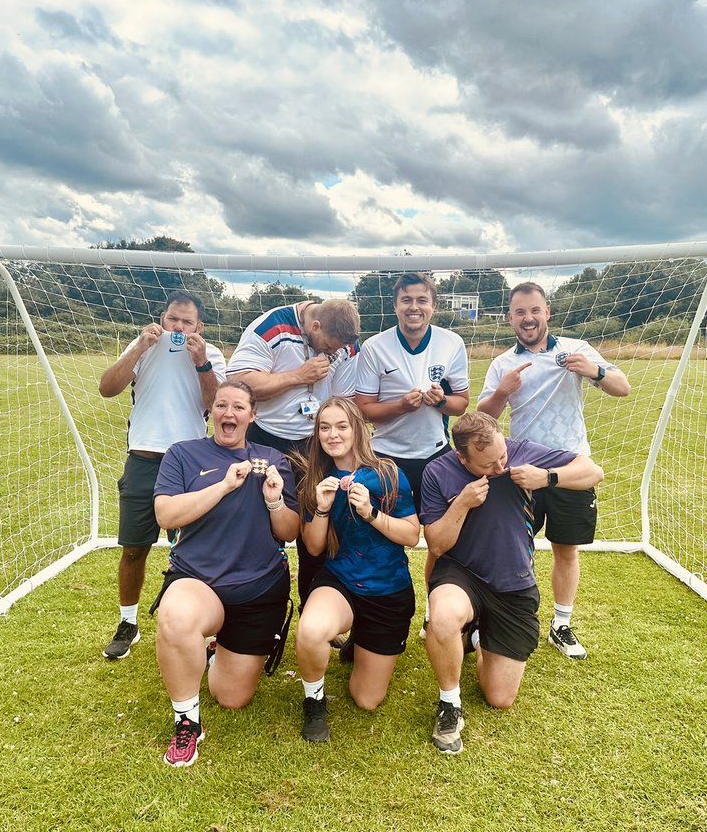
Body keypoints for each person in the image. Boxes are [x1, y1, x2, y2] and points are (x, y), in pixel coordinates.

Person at [420, 412, 603, 754]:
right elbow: (437, 545)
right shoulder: (438, 472)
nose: (500, 467)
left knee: (500, 698)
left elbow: (594, 471)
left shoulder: (522, 452)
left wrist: (547, 477)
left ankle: (478, 635)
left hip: (512, 582)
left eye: (503, 455)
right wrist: (461, 503)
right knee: (443, 617)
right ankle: (449, 705)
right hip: (462, 573)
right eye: (488, 464)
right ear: (462, 457)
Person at [476, 282, 630, 659]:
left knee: (566, 549)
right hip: (522, 468)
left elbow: (622, 387)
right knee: (510, 550)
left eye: (534, 310)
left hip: (571, 465)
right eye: (519, 312)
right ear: (510, 318)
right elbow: (481, 419)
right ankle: (500, 618)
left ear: (548, 312)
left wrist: (593, 370)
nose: (528, 318)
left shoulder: (576, 349)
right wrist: (503, 392)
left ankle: (561, 624)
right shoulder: (502, 364)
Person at [151, 380, 301, 767]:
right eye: (221, 405)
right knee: (175, 617)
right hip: (197, 580)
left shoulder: (273, 459)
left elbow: (288, 532)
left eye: (238, 407)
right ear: (211, 411)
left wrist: (273, 502)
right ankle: (187, 722)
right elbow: (166, 515)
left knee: (233, 698)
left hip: (257, 588)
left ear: (253, 416)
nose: (228, 414)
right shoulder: (183, 454)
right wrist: (222, 486)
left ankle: (217, 652)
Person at [97, 290, 225, 660]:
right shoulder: (143, 346)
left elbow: (217, 406)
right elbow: (108, 389)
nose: (179, 327)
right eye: (173, 320)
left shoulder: (210, 353)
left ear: (199, 326)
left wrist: (201, 363)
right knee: (134, 548)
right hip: (143, 457)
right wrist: (139, 347)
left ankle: (207, 631)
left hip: (191, 461)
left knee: (198, 549)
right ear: (162, 318)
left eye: (187, 322)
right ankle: (128, 623)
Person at [294, 398, 420, 743]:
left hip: (388, 589)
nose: (332, 435)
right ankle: (314, 700)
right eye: (324, 427)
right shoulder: (316, 479)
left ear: (357, 430)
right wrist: (321, 509)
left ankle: (362, 637)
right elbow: (316, 548)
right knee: (311, 629)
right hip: (341, 580)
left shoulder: (388, 473)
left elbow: (411, 535)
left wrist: (370, 513)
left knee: (366, 700)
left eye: (341, 426)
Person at [354, 272, 469, 639]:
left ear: (433, 306)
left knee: (441, 541)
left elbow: (462, 404)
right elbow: (364, 409)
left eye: (422, 300)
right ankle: (371, 615)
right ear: (396, 306)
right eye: (407, 300)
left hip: (436, 456)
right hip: (386, 459)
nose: (414, 307)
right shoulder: (375, 347)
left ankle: (439, 614)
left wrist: (442, 401)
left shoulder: (452, 343)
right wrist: (402, 406)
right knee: (379, 537)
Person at [227, 298, 362, 606]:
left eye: (336, 349)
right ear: (314, 326)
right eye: (327, 346)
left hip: (314, 443)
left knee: (316, 527)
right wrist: (297, 376)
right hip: (264, 439)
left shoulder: (346, 346)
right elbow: (237, 382)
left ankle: (313, 608)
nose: (332, 353)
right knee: (258, 525)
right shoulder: (272, 326)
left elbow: (343, 400)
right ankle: (255, 609)